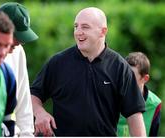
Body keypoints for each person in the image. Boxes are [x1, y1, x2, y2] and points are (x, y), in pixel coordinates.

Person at [31, 7, 146, 136]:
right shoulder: (57, 63)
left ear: (103, 32)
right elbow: (33, 95)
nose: (78, 32)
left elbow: (134, 114)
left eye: (85, 27)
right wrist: (39, 112)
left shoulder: (119, 67)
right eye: (76, 26)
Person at [0, 2, 39, 136]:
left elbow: (23, 96)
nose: (21, 42)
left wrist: (27, 134)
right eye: (17, 36)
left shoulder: (18, 51)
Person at [117, 52, 162, 136]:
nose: (125, 81)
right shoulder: (110, 97)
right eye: (125, 75)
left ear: (145, 78)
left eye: (131, 77)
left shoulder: (155, 104)